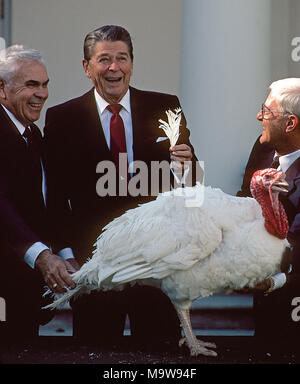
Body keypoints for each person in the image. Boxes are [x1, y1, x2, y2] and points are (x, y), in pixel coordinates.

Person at [43, 25, 201, 347]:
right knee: (95, 351)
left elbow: (189, 186)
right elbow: (56, 199)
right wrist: (68, 255)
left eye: (122, 58)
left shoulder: (166, 106)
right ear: (87, 67)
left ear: (132, 63)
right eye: (104, 60)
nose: (114, 67)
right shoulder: (62, 118)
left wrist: (187, 170)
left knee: (160, 353)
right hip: (95, 267)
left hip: (155, 265)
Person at [0, 45, 77, 344]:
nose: (42, 93)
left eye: (45, 85)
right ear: (3, 89)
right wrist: (42, 256)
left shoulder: (33, 133)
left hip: (24, 291)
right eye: (31, 84)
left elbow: (49, 202)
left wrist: (67, 255)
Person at [237, 78, 300, 346]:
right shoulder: (263, 147)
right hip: (265, 308)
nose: (259, 116)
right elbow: (243, 204)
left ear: (290, 123)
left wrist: (274, 282)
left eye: (267, 111)